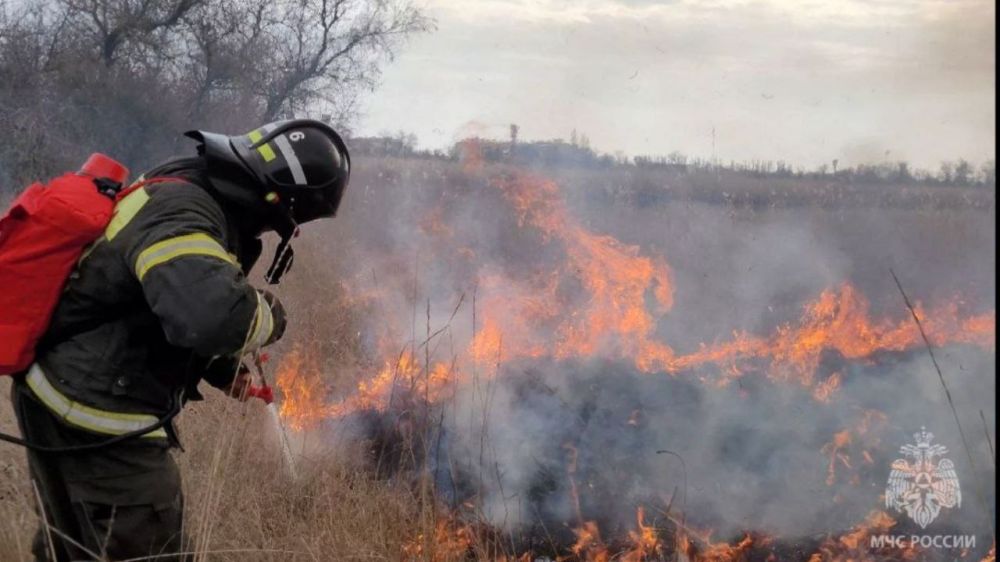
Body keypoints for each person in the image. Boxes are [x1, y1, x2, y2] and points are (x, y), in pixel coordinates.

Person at [10, 119, 351, 561]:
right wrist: (271, 314)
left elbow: (155, 297)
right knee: (151, 549)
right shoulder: (185, 212)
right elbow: (212, 316)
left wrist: (220, 367)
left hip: (58, 390)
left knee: (73, 550)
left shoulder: (191, 188)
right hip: (95, 412)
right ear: (280, 199)